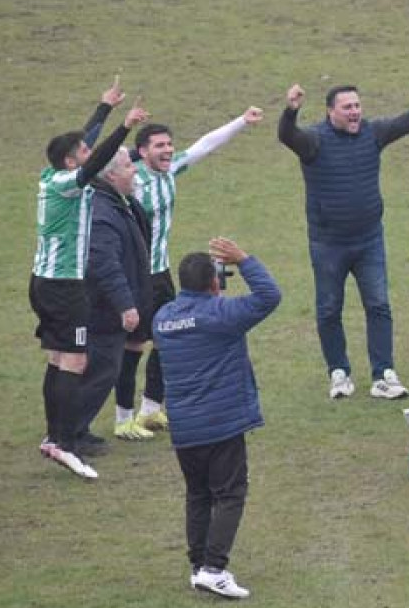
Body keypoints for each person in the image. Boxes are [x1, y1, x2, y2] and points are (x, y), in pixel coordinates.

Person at [279, 78, 409, 401]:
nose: (355, 112)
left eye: (357, 105)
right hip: (328, 244)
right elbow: (288, 136)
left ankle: (383, 374)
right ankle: (339, 373)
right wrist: (290, 111)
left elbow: (406, 123)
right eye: (348, 107)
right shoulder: (314, 140)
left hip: (369, 240)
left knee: (379, 304)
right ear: (331, 112)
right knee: (329, 308)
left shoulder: (373, 133)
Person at [114, 107, 265, 442]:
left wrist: (241, 121)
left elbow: (205, 145)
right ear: (142, 152)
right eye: (159, 146)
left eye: (169, 144)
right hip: (134, 278)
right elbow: (100, 167)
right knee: (133, 346)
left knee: (165, 341)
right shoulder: (130, 179)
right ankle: (122, 418)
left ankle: (151, 408)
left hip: (161, 273)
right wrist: (119, 124)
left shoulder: (170, 171)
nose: (168, 150)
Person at [31, 83, 147, 479]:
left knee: (57, 359)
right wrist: (126, 127)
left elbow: (86, 146)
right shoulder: (67, 184)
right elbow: (93, 161)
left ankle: (56, 435)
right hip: (64, 286)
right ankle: (62, 441)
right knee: (76, 361)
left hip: (45, 283)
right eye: (80, 153)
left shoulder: (51, 174)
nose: (87, 152)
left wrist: (103, 109)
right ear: (70, 162)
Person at [154, 238, 281, 599]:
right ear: (214, 283)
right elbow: (269, 296)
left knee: (198, 495)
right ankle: (214, 568)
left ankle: (199, 567)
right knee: (230, 493)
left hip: (184, 427)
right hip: (221, 424)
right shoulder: (222, 316)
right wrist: (244, 259)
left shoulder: (163, 319)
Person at [73, 148, 154, 462]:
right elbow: (105, 264)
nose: (134, 170)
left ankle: (76, 429)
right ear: (110, 175)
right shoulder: (104, 213)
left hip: (107, 307)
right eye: (127, 166)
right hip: (103, 311)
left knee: (100, 369)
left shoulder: (115, 202)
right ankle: (71, 433)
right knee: (100, 371)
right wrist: (125, 305)